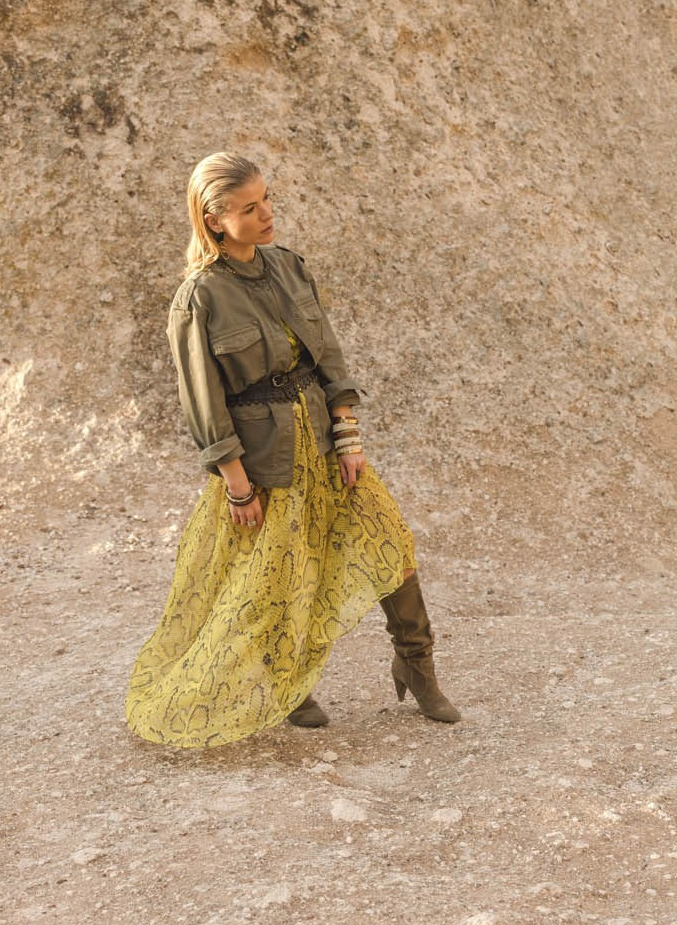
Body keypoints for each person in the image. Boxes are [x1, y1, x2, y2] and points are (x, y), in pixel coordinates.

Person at [124, 150, 460, 747]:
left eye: (267, 199)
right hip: (265, 461)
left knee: (392, 545)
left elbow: (327, 356)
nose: (266, 214)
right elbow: (204, 403)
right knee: (274, 578)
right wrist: (237, 485)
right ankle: (288, 685)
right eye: (249, 209)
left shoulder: (288, 267)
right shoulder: (199, 298)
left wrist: (348, 435)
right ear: (214, 220)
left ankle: (417, 663)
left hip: (325, 445)